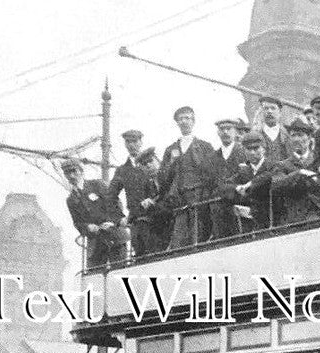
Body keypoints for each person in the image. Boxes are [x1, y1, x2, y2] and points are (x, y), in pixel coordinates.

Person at [158, 106, 218, 249]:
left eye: (187, 118)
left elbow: (212, 174)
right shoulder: (171, 149)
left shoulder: (205, 146)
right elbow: (163, 179)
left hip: (199, 197)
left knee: (199, 234)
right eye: (180, 119)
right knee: (179, 237)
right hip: (179, 198)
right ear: (177, 123)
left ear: (193, 121)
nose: (184, 122)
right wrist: (171, 165)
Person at [270, 119, 320, 224]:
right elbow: (275, 184)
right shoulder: (282, 166)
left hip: (319, 216)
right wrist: (299, 173)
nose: (296, 139)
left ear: (309, 138)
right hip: (293, 220)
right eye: (293, 136)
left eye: (300, 135)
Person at [106, 128, 163, 257]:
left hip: (159, 215)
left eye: (134, 141)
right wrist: (119, 218)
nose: (131, 145)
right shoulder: (123, 170)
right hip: (138, 220)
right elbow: (110, 196)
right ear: (125, 144)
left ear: (141, 142)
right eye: (128, 142)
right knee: (141, 255)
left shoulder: (154, 162)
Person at [63, 157, 124, 267]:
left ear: (81, 171)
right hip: (96, 242)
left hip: (114, 236)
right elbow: (77, 223)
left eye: (74, 171)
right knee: (94, 274)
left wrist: (112, 222)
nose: (71, 176)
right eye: (67, 173)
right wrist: (87, 227)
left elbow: (115, 203)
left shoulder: (97, 185)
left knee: (119, 270)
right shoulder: (71, 200)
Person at [221, 132, 277, 230]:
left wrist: (250, 184)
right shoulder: (244, 171)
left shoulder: (273, 166)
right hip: (250, 224)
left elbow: (270, 176)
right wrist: (237, 188)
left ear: (263, 149)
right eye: (248, 149)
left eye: (256, 148)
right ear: (244, 151)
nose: (252, 152)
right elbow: (225, 186)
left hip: (272, 220)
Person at [209, 118, 248, 240]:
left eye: (229, 129)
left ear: (236, 132)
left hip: (239, 202)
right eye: (222, 129)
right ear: (218, 133)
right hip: (219, 207)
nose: (225, 132)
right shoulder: (212, 157)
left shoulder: (244, 152)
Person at [256, 96, 291, 163]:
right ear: (262, 112)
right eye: (266, 108)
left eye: (273, 108)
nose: (269, 111)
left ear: (280, 112)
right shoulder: (256, 134)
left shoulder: (288, 134)